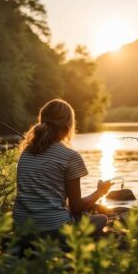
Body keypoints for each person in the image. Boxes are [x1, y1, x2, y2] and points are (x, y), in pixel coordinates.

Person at [13, 99, 111, 249]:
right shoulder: (70, 156)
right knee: (101, 219)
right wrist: (100, 192)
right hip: (53, 233)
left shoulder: (25, 153)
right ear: (68, 126)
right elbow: (76, 206)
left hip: (22, 232)